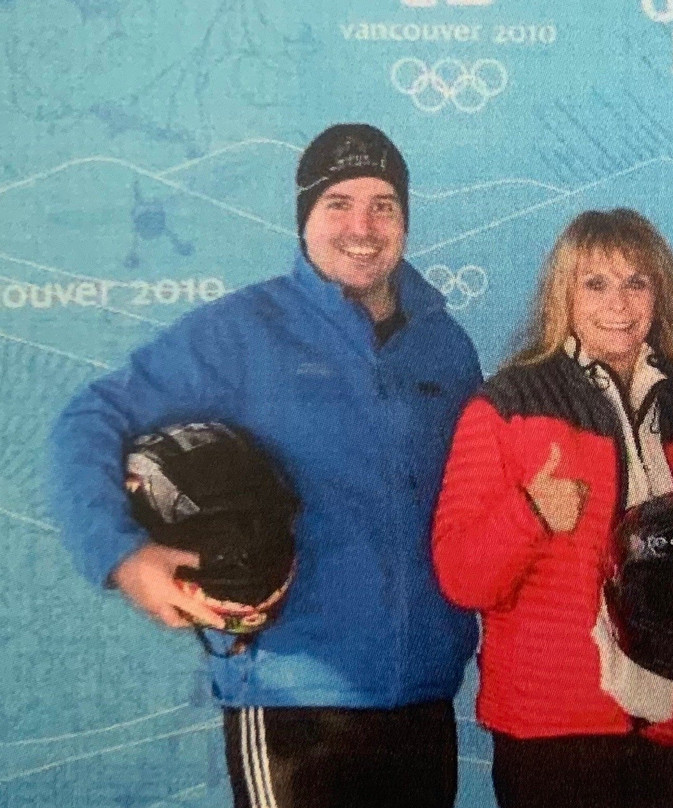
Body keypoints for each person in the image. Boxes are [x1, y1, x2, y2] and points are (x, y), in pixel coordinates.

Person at [49, 123, 482, 808]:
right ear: (304, 216)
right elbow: (89, 420)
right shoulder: (242, 331)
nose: (362, 226)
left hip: (425, 697)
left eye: (383, 205)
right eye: (338, 202)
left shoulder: (445, 346)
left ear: (405, 218)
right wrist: (123, 556)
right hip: (291, 700)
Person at [432, 208, 673, 808]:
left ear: (661, 293)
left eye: (635, 282)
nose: (617, 303)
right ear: (562, 295)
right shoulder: (507, 405)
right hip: (551, 732)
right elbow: (461, 576)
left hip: (668, 722)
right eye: (594, 284)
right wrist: (531, 513)